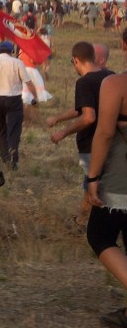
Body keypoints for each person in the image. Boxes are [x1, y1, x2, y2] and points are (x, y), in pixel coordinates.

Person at [85, 28, 127, 328]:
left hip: (121, 177)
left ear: (123, 45)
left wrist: (93, 177)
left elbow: (105, 132)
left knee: (99, 235)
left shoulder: (116, 84)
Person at [48, 42, 113, 221]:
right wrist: (58, 118)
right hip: (112, 141)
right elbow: (83, 108)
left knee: (92, 184)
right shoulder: (110, 77)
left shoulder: (84, 82)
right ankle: (83, 219)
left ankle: (86, 221)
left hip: (92, 144)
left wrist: (63, 133)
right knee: (101, 182)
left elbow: (88, 116)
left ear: (76, 60)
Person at [0, 40, 37, 171]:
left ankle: (5, 156)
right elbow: (28, 82)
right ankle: (13, 150)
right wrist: (35, 98)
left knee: (0, 128)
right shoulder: (17, 63)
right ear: (12, 51)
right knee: (14, 127)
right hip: (14, 99)